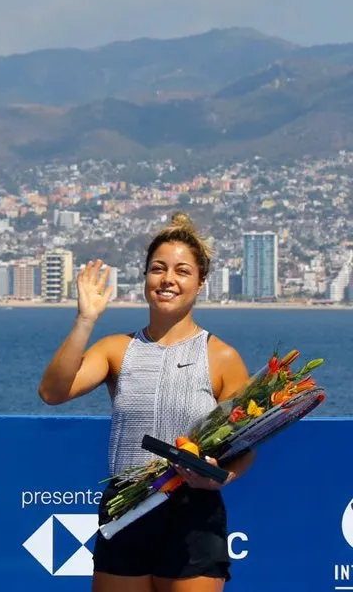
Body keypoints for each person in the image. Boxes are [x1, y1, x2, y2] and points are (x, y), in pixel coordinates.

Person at [38, 212, 256, 592]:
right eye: (158, 268)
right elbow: (53, 392)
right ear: (145, 278)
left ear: (201, 282)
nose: (168, 279)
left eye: (182, 271)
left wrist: (220, 477)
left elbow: (244, 445)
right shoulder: (116, 350)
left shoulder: (223, 357)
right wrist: (85, 320)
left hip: (194, 514)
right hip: (126, 509)